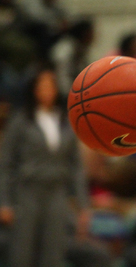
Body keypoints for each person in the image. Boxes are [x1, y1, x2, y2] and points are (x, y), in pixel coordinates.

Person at [0, 65, 92, 267]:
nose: (46, 90)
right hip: (28, 191)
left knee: (53, 252)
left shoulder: (66, 121)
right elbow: (6, 163)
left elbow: (76, 166)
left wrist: (83, 204)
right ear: (34, 89)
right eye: (42, 85)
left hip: (57, 192)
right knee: (21, 252)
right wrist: (4, 201)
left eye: (50, 85)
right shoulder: (21, 120)